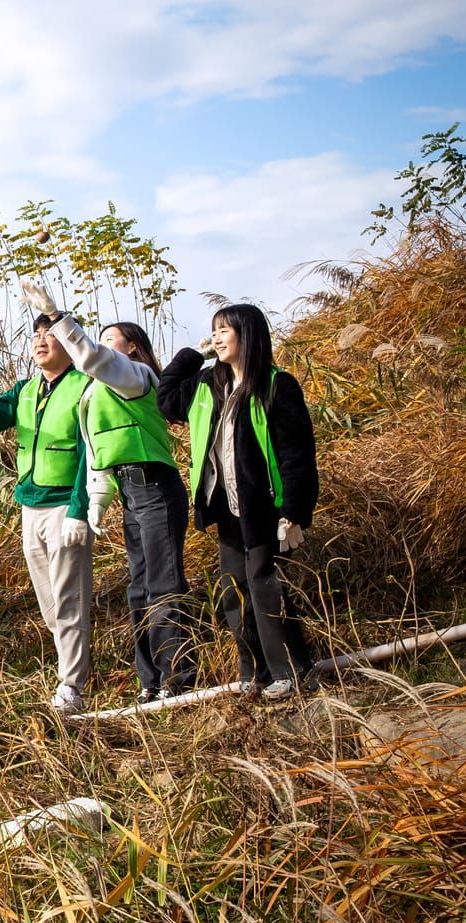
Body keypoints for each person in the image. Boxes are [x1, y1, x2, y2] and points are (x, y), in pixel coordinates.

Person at [20, 281, 195, 702]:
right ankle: (149, 682)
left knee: (163, 583)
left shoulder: (135, 376)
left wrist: (59, 317)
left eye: (110, 339)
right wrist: (96, 502)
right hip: (129, 491)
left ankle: (178, 678)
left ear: (131, 347)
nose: (101, 345)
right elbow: (98, 450)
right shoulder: (97, 394)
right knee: (139, 586)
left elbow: (93, 358)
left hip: (155, 486)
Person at [157, 304, 320, 699]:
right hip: (225, 506)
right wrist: (193, 353)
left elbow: (296, 454)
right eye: (214, 330)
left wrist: (294, 512)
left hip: (266, 507)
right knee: (233, 588)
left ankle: (293, 672)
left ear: (249, 334)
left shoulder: (277, 385)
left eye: (225, 329)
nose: (217, 336)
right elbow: (165, 400)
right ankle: (254, 672)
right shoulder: (210, 383)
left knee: (264, 585)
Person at [0, 313, 95, 713]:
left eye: (50, 335)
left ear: (70, 341)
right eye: (36, 335)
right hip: (31, 505)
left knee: (68, 596)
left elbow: (89, 455)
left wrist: (81, 507)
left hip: (64, 504)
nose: (41, 341)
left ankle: (73, 684)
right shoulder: (27, 389)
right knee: (49, 600)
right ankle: (71, 666)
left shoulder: (86, 387)